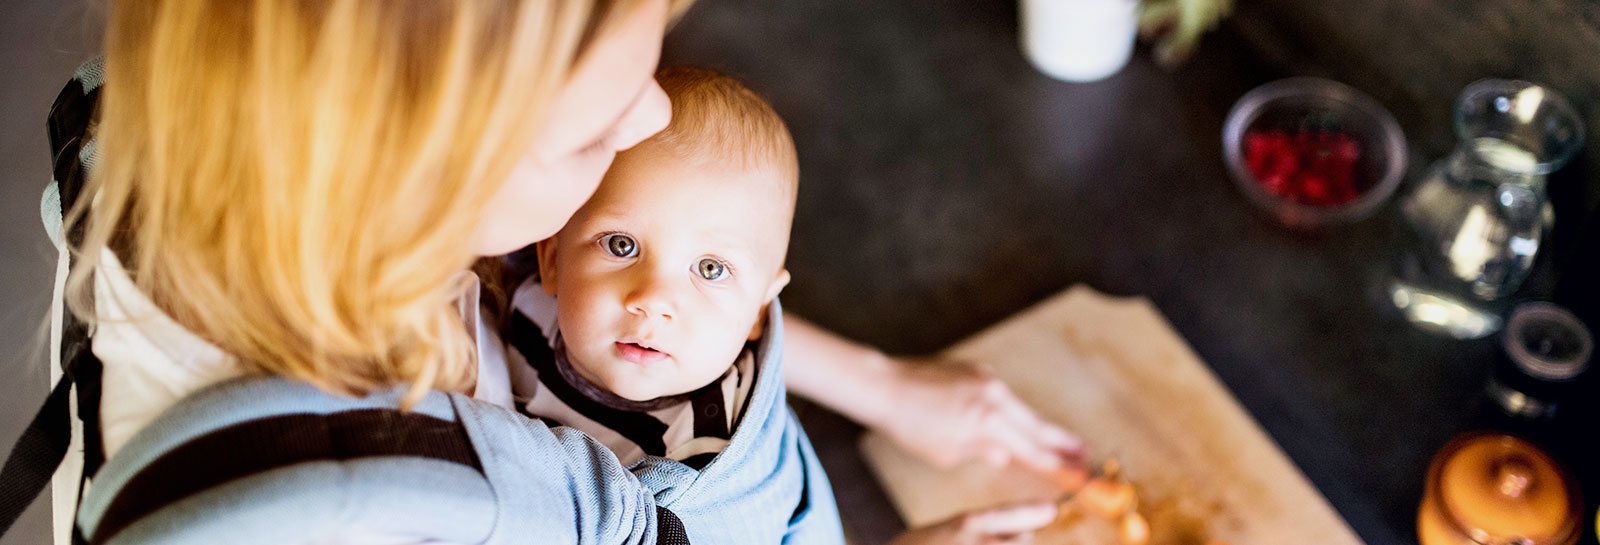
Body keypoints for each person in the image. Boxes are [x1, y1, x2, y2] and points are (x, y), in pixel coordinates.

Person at [30, 0, 1083, 543]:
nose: (656, 119)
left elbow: (638, 293)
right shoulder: (369, 511)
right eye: (591, 137)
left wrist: (880, 382)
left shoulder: (275, 177)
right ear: (427, 177)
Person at [495, 66, 839, 543]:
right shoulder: (522, 301)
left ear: (759, 311)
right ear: (552, 258)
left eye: (711, 269)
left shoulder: (699, 454)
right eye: (620, 245)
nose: (654, 302)